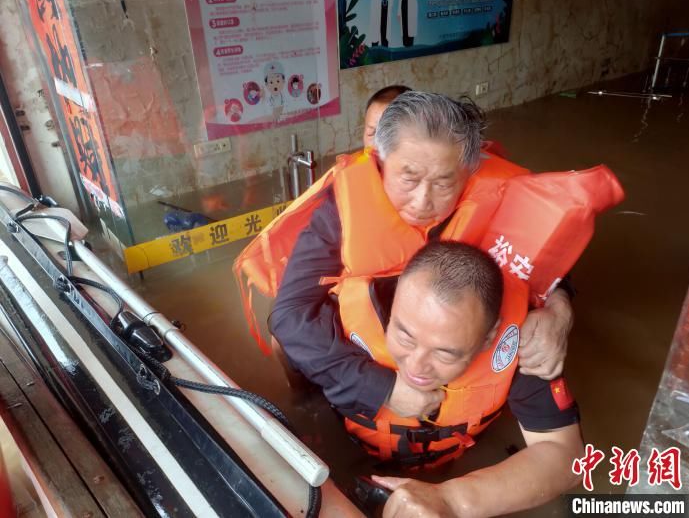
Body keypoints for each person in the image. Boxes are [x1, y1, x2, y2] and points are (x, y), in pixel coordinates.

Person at [243, 92, 574, 423]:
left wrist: (559, 310)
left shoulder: (498, 194)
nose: (422, 200)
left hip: (455, 347)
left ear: (468, 172)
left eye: (444, 184)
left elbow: (543, 253)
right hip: (369, 347)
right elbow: (289, 314)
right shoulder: (342, 212)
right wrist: (380, 388)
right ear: (382, 161)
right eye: (409, 179)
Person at [357, 241, 583, 518]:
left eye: (445, 353)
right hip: (352, 450)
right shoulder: (341, 319)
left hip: (452, 464)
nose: (416, 366)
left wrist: (452, 499)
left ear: (488, 338)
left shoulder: (518, 347)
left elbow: (568, 457)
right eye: (405, 336)